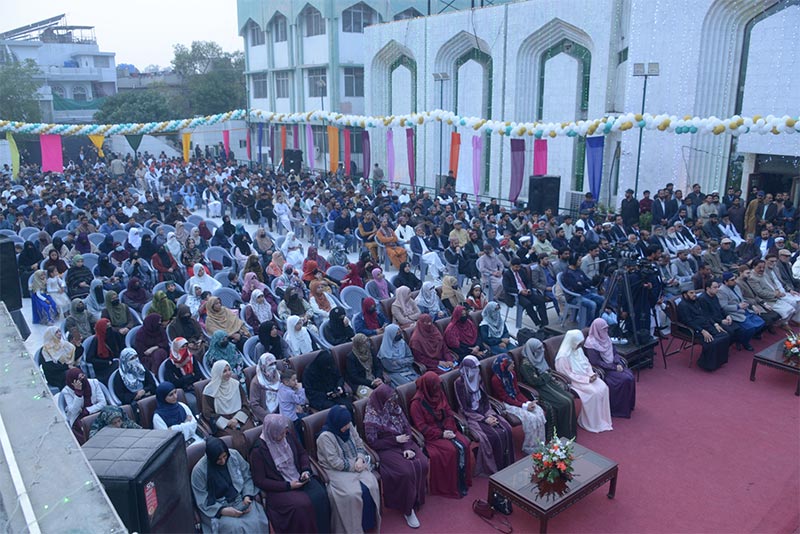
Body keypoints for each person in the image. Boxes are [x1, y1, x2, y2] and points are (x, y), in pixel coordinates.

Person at [249, 414, 331, 534]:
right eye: (280, 434)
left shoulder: (288, 435)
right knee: (302, 505)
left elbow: (302, 453)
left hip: (298, 476)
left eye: (284, 432)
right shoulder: (258, 451)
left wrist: (305, 470)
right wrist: (288, 486)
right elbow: (260, 481)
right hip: (280, 488)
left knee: (320, 494)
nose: (283, 436)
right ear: (272, 432)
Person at [364, 384, 428, 529]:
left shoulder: (394, 407)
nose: (391, 402)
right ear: (381, 399)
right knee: (406, 471)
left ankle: (417, 497)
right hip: (386, 448)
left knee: (422, 462)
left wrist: (406, 447)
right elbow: (373, 442)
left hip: (404, 442)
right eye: (388, 400)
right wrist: (394, 440)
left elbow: (406, 428)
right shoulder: (371, 416)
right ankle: (407, 508)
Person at [316, 405, 381, 533]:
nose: (347, 427)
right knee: (351, 494)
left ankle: (368, 524)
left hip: (356, 462)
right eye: (344, 425)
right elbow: (334, 462)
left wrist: (360, 459)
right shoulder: (325, 437)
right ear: (337, 423)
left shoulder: (348, 425)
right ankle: (353, 528)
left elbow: (359, 443)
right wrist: (354, 467)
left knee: (371, 486)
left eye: (348, 424)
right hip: (336, 470)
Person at [409, 372, 474, 498]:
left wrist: (449, 428)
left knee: (465, 444)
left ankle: (462, 480)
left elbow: (449, 413)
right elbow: (421, 426)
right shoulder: (416, 403)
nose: (437, 389)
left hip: (447, 429)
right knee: (450, 451)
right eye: (435, 386)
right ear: (428, 387)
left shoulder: (439, 393)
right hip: (432, 435)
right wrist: (442, 434)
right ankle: (449, 486)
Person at [190, 437, 269, 533]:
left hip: (239, 499)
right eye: (218, 459)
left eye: (224, 456)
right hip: (216, 508)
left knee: (257, 520)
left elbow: (247, 476)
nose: (223, 461)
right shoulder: (199, 471)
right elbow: (202, 499)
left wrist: (247, 496)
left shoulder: (233, 455)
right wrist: (223, 510)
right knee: (236, 528)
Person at [455, 355, 515, 474]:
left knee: (506, 428)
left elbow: (485, 401)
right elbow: (465, 409)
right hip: (472, 416)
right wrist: (483, 419)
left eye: (477, 368)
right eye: (473, 369)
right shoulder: (459, 384)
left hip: (485, 411)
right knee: (491, 436)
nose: (476, 371)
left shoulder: (479, 378)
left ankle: (506, 462)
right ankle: (493, 467)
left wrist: (489, 415)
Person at [518, 338, 578, 439]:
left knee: (569, 399)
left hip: (548, 384)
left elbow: (547, 371)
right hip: (539, 389)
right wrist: (546, 375)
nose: (542, 350)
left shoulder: (538, 357)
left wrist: (546, 375)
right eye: (539, 348)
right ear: (532, 350)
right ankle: (560, 434)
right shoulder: (525, 365)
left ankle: (570, 432)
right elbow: (534, 381)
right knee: (563, 403)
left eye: (542, 347)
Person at [554, 330, 613, 432]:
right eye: (578, 343)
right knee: (593, 393)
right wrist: (586, 379)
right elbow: (568, 375)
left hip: (587, 377)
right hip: (575, 381)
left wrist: (591, 374)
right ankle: (591, 422)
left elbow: (586, 363)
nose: (579, 345)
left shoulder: (578, 350)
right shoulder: (562, 357)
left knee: (603, 387)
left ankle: (602, 419)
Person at [490, 354, 548, 453]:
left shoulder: (512, 373)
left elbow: (517, 391)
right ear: (504, 366)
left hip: (516, 399)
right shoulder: (496, 380)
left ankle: (540, 443)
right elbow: (505, 398)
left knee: (538, 411)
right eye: (511, 364)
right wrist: (524, 406)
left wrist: (528, 402)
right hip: (506, 404)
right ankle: (530, 447)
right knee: (531, 418)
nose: (513, 366)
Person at [583, 319, 636, 418]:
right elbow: (596, 362)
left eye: (606, 328)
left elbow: (614, 352)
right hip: (604, 370)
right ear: (597, 330)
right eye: (604, 329)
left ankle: (628, 406)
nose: (606, 331)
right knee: (624, 379)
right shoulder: (591, 343)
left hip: (613, 365)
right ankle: (617, 410)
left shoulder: (605, 338)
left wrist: (617, 362)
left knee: (630, 375)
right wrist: (614, 367)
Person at [202, 361, 256, 457]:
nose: (228, 373)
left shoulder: (235, 384)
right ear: (217, 373)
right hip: (223, 423)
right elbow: (208, 414)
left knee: (251, 435)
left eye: (229, 370)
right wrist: (227, 423)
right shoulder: (209, 391)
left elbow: (245, 404)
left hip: (240, 417)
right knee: (236, 442)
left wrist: (236, 419)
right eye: (224, 371)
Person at [677, 289, 731, 371]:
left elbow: (705, 314)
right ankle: (706, 365)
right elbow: (688, 322)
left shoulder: (696, 301)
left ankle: (718, 362)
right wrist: (702, 331)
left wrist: (715, 324)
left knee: (725, 335)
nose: (694, 294)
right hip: (693, 329)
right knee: (712, 341)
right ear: (685, 295)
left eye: (695, 292)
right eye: (691, 293)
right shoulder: (683, 305)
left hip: (706, 325)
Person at [62, 368, 107, 439]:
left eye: (83, 376)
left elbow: (102, 403)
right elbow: (74, 411)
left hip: (95, 411)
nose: (82, 379)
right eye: (79, 379)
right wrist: (78, 393)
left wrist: (88, 410)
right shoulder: (67, 391)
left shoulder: (94, 383)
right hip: (79, 417)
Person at [163, 338, 203, 410]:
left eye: (186, 346)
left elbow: (198, 375)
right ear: (176, 348)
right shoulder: (170, 364)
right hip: (181, 390)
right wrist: (189, 377)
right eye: (182, 347)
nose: (184, 349)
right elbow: (173, 383)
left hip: (194, 386)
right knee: (193, 401)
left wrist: (185, 379)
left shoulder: (191, 358)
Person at [345, 333, 384, 399]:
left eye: (367, 340)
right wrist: (371, 382)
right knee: (374, 398)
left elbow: (378, 366)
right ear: (358, 345)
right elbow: (354, 377)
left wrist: (378, 377)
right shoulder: (351, 357)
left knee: (386, 393)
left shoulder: (371, 351)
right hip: (361, 384)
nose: (367, 343)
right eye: (365, 342)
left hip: (375, 379)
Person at [249, 353, 281, 422]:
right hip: (267, 414)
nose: (274, 367)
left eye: (274, 363)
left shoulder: (279, 375)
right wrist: (268, 417)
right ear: (263, 366)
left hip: (282, 408)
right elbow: (254, 405)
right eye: (270, 364)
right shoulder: (256, 383)